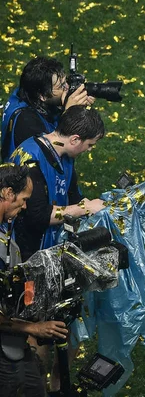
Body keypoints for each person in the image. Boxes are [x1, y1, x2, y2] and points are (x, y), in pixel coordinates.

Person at [0, 163, 69, 396]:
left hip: (15, 341)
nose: (26, 205)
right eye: (24, 198)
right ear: (8, 193)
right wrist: (34, 328)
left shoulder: (5, 229)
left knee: (34, 387)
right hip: (5, 350)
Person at [9, 105, 106, 261]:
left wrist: (85, 205)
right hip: (28, 249)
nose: (89, 150)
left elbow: (72, 194)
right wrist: (84, 208)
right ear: (75, 139)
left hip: (49, 240)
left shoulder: (62, 153)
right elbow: (38, 216)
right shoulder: (32, 162)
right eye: (90, 145)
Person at [1, 56, 93, 162]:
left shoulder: (29, 94)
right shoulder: (26, 122)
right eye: (61, 86)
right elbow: (56, 149)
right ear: (42, 95)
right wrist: (69, 113)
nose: (67, 88)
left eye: (65, 82)